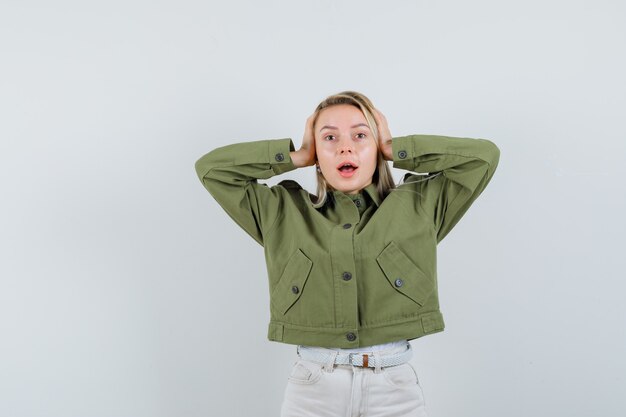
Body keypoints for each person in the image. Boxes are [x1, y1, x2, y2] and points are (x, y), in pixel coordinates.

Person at [194, 91, 500, 416]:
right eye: (329, 137)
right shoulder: (280, 210)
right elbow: (212, 170)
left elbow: (483, 158)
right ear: (316, 152)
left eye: (360, 135)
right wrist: (295, 156)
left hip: (394, 390)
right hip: (311, 392)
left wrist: (395, 149)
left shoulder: (421, 205)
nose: (345, 147)